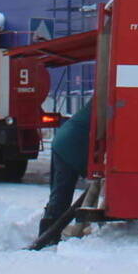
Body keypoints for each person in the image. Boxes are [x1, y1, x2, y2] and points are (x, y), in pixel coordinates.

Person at [36, 99, 93, 246]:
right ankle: (47, 237)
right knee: (62, 193)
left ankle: (48, 233)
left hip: (64, 141)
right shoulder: (108, 101)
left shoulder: (103, 98)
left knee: (60, 192)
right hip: (69, 147)